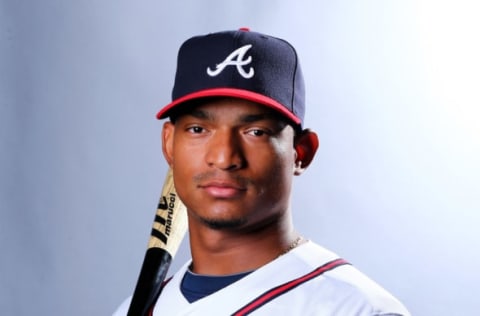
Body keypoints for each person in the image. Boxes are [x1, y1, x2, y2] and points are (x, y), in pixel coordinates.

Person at [114, 28, 410, 315]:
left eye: (255, 131)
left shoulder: (357, 310)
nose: (223, 157)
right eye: (198, 129)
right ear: (169, 144)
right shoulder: (135, 310)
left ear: (301, 153)